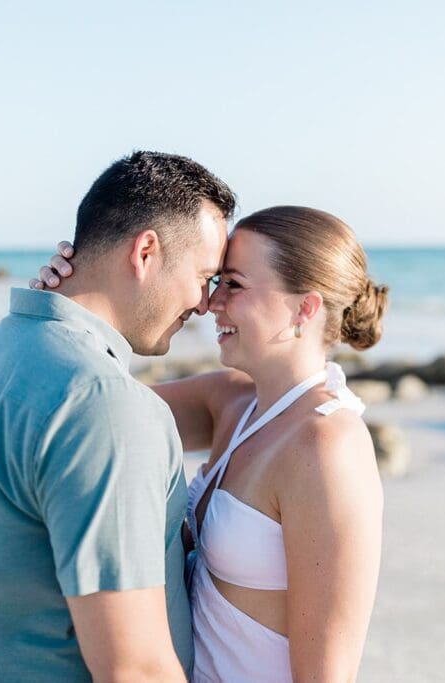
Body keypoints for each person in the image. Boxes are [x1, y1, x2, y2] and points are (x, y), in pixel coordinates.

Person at [34, 205, 387, 682]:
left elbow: (327, 675)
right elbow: (92, 410)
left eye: (234, 285)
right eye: (216, 281)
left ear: (305, 308)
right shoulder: (231, 402)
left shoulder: (328, 446)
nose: (209, 303)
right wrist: (71, 307)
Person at [0, 150, 235, 682]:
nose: (205, 304)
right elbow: (134, 668)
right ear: (145, 252)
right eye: (205, 277)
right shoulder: (103, 402)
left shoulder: (0, 348)